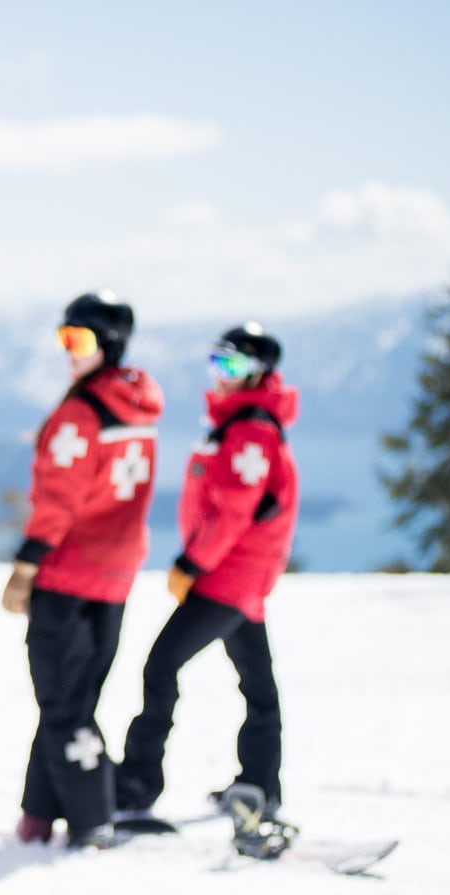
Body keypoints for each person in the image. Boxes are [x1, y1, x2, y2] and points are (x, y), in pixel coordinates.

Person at [115, 322, 299, 823]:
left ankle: (136, 782)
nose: (221, 375)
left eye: (234, 366)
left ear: (259, 374)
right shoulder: (237, 423)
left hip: (227, 576)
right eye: (217, 362)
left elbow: (236, 509)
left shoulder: (251, 431)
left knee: (161, 666)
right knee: (258, 684)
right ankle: (260, 784)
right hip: (239, 576)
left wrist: (191, 563)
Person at [0, 290, 162, 849]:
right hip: (115, 576)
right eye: (64, 338)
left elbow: (59, 501)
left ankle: (94, 819)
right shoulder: (135, 409)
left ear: (109, 344)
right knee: (71, 698)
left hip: (69, 576)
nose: (69, 351)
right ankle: (38, 820)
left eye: (81, 339)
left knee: (65, 705)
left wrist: (26, 565)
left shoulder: (81, 413)